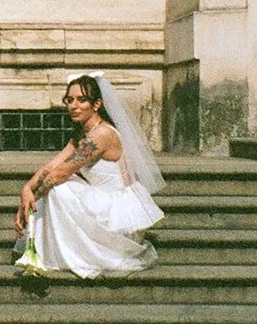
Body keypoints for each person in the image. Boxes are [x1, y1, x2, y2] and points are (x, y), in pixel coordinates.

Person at [13, 72, 164, 280]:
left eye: (81, 100)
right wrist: (26, 189)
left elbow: (60, 173)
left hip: (116, 218)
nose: (74, 106)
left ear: (96, 104)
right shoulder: (83, 134)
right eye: (70, 100)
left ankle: (69, 255)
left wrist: (30, 203)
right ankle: (60, 251)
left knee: (59, 187)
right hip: (101, 205)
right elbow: (52, 165)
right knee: (56, 184)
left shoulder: (102, 135)